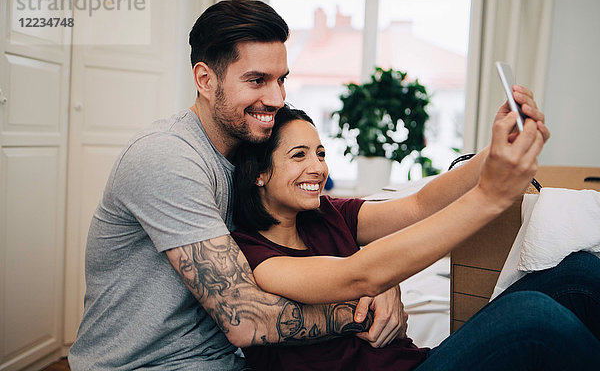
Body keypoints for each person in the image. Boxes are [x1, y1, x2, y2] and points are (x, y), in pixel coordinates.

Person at [68, 0, 404, 370]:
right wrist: (364, 306)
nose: (277, 98)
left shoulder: (251, 154)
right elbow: (247, 319)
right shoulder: (166, 158)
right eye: (257, 80)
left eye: (281, 80)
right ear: (205, 80)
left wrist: (374, 279)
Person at [231, 105, 600, 370]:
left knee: (579, 272)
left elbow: (419, 205)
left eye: (321, 153)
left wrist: (497, 151)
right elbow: (357, 275)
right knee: (532, 316)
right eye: (300, 155)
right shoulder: (254, 255)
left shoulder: (326, 214)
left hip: (419, 361)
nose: (318, 167)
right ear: (259, 174)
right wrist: (490, 197)